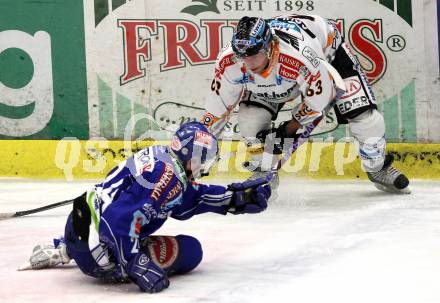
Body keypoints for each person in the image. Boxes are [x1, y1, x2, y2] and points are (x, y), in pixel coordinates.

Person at [19, 122, 272, 293]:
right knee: (191, 251)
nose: (205, 168)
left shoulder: (162, 157)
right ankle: (93, 256)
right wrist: (134, 262)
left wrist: (230, 197)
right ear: (195, 157)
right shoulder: (168, 177)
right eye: (205, 161)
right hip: (99, 249)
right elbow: (118, 220)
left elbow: (183, 200)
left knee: (136, 221)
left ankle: (65, 249)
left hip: (76, 226)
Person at [201, 14, 410, 194]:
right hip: (283, 75)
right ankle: (263, 170)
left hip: (329, 54)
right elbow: (217, 109)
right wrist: (200, 149)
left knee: (367, 121)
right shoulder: (230, 62)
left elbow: (318, 101)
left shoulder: (300, 57)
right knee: (249, 122)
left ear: (269, 46)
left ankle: (377, 167)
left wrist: (289, 129)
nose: (248, 64)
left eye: (254, 56)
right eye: (242, 57)